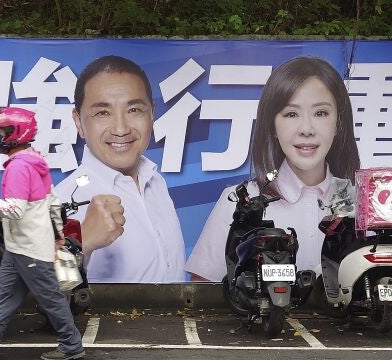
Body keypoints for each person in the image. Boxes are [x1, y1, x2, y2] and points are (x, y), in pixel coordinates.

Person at [185, 56, 361, 282]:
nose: (306, 129)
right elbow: (202, 294)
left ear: (338, 123)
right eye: (291, 114)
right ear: (273, 126)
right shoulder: (242, 201)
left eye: (320, 113)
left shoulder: (363, 206)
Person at [0, 107, 85, 360]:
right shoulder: (36, 161)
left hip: (30, 247)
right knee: (2, 298)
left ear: (17, 134)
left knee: (51, 299)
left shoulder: (18, 168)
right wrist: (57, 233)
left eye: (4, 131)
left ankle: (72, 345)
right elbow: (53, 201)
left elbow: (14, 210)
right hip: (20, 247)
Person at [55, 55, 185, 283]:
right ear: (78, 122)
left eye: (134, 109)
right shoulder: (65, 199)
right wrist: (82, 241)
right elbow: (40, 297)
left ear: (152, 114)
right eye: (102, 113)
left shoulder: (156, 182)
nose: (121, 128)